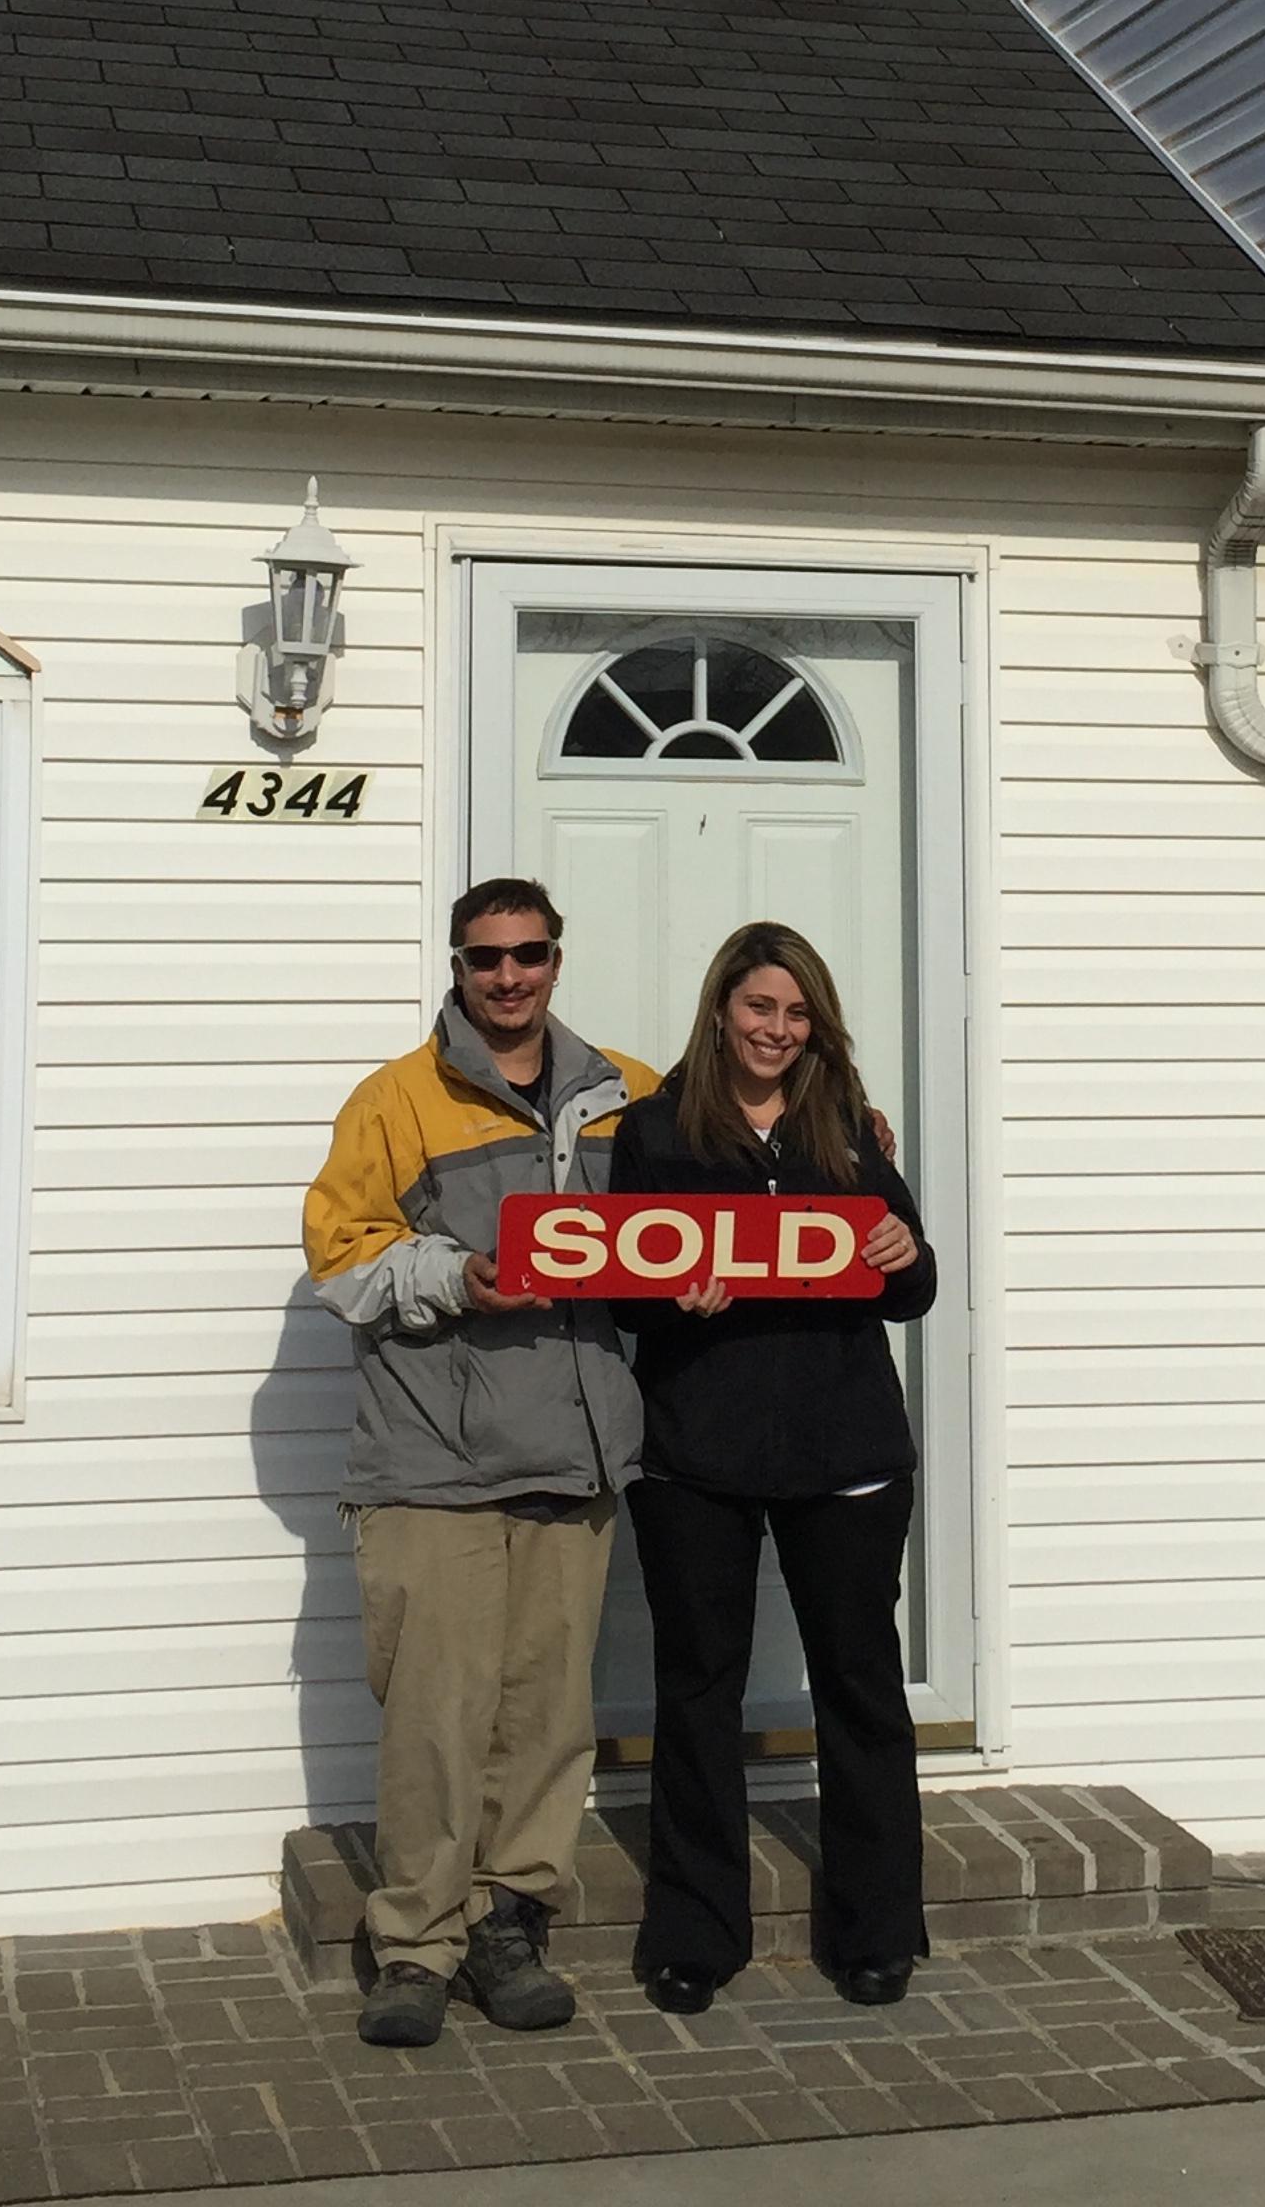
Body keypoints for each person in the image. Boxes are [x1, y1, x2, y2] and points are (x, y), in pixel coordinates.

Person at [303, 878, 656, 2051]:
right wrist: (457, 1277)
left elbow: (729, 1183)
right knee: (435, 1721)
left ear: (559, 959)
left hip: (576, 1452)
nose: (508, 978)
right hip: (433, 1464)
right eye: (484, 958)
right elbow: (343, 1261)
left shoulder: (628, 1095)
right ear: (456, 967)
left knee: (546, 1719)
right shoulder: (397, 1102)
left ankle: (511, 1922)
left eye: (529, 955)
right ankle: (413, 1947)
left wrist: (851, 1129)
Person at [609, 920, 936, 2013]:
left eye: (796, 1014)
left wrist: (905, 1249)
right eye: (761, 1008)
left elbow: (910, 1282)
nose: (777, 1030)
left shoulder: (848, 1125)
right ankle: (695, 1936)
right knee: (696, 1691)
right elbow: (619, 1286)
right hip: (697, 1452)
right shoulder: (656, 1130)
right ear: (721, 1011)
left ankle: (878, 1930)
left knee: (861, 1689)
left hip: (846, 1452)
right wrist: (669, 1295)